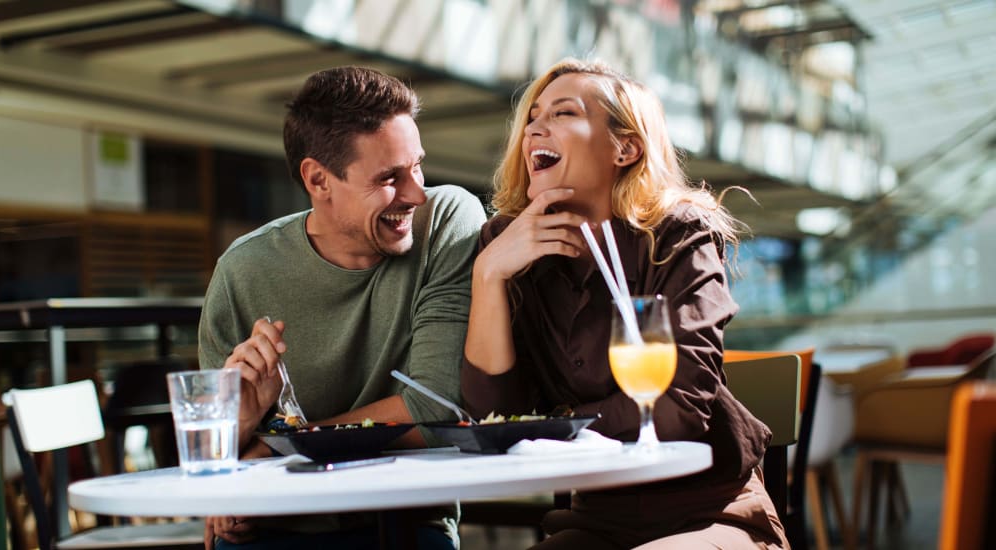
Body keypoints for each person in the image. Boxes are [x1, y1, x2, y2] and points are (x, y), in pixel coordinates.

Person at [461, 58, 788, 549]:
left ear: (626, 147)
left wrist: (557, 423)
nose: (535, 129)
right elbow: (497, 417)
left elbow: (677, 407)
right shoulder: (507, 246)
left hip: (710, 512)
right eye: (532, 118)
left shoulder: (677, 234)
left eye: (563, 113)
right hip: (594, 521)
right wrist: (488, 275)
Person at [198, 66, 486, 549]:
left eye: (417, 166)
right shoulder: (241, 271)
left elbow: (436, 408)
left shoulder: (447, 223)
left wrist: (274, 447)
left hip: (403, 525)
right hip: (274, 525)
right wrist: (240, 425)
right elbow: (214, 455)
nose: (416, 193)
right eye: (390, 178)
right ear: (318, 180)